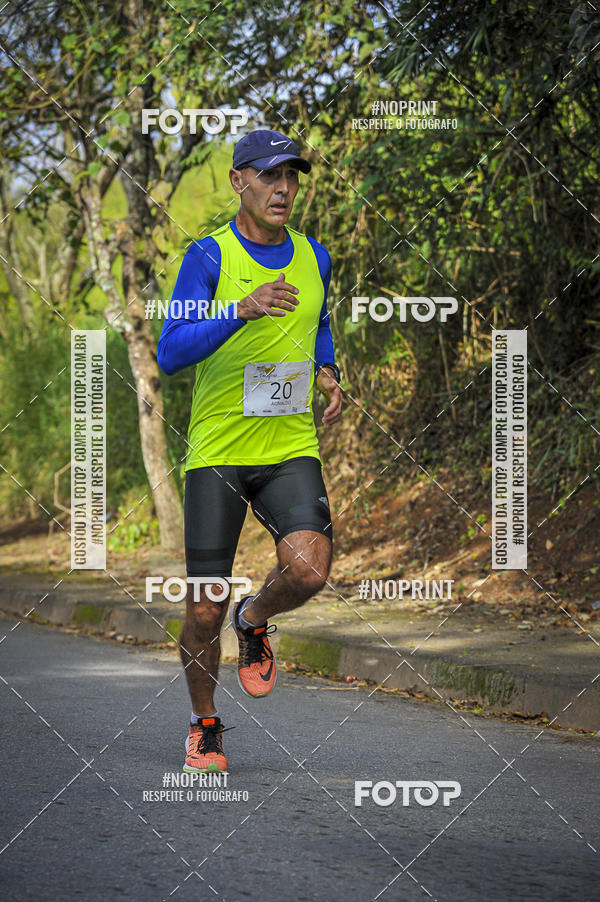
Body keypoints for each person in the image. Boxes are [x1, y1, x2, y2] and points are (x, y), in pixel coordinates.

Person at [158, 128, 342, 773]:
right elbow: (171, 351)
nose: (283, 188)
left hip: (290, 445)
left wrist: (329, 369)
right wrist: (241, 309)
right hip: (219, 454)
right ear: (239, 181)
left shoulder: (315, 256)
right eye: (269, 175)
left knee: (311, 571)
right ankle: (205, 725)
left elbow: (318, 322)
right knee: (203, 607)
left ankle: (257, 616)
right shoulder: (208, 258)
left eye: (292, 176)